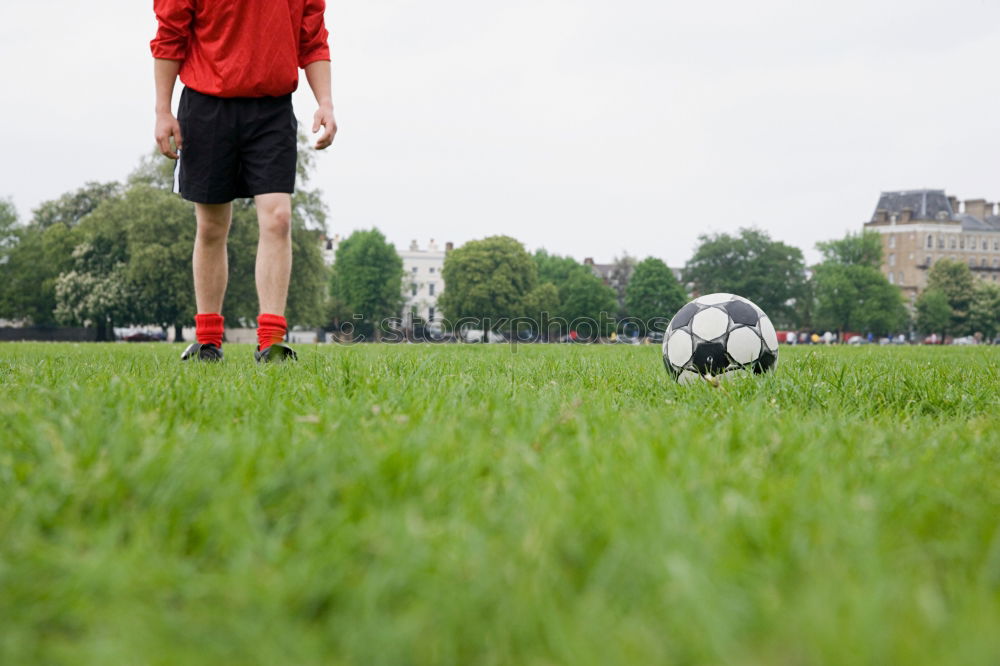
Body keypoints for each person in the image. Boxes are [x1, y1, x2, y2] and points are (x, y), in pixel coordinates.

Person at [150, 0, 336, 362]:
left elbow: (312, 39)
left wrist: (325, 102)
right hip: (207, 106)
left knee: (278, 218)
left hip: (272, 108)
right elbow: (169, 35)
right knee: (212, 226)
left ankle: (271, 342)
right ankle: (207, 342)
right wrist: (162, 111)